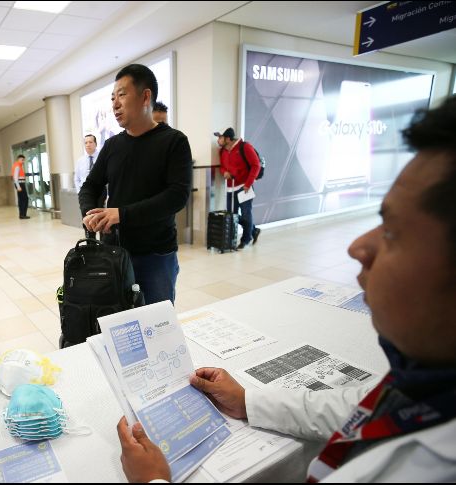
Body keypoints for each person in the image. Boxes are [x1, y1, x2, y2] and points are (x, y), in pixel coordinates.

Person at [117, 96, 456, 483]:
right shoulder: (423, 384)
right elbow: (358, 407)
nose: (358, 247)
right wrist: (248, 401)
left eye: (393, 232)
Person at [79, 64, 192, 305]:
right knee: (115, 319)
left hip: (156, 255)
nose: (115, 104)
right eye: (112, 98)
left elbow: (177, 196)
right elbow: (90, 186)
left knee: (156, 321)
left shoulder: (174, 141)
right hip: (114, 253)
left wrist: (121, 214)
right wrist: (90, 213)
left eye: (121, 95)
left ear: (145, 96)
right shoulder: (112, 146)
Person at [215, 127, 261, 249]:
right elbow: (222, 167)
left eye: (220, 137)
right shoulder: (222, 151)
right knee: (232, 215)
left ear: (228, 139)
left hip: (244, 187)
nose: (218, 140)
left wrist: (248, 184)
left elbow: (256, 165)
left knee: (246, 214)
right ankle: (253, 230)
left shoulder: (245, 147)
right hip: (230, 188)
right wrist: (224, 172)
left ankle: (245, 239)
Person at [12, 154, 30, 219]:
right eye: (22, 160)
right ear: (18, 159)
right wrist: (18, 187)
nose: (23, 161)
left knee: (22, 199)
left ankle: (22, 214)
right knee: (24, 199)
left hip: (20, 184)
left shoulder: (18, 165)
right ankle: (23, 215)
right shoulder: (17, 166)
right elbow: (15, 177)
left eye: (24, 160)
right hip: (20, 184)